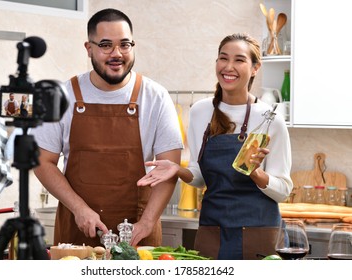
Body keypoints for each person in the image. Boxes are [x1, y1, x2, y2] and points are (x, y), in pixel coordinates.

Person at [32, 8, 183, 247]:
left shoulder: (156, 96)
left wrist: (147, 223)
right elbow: (42, 161)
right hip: (77, 232)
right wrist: (79, 209)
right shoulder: (62, 95)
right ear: (88, 48)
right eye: (105, 45)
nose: (117, 54)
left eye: (125, 45)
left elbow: (168, 170)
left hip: (138, 234)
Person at [137, 33, 293, 259]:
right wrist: (178, 170)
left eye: (239, 60)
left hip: (260, 231)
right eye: (223, 58)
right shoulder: (201, 111)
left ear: (255, 68)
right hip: (212, 231)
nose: (229, 66)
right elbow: (200, 177)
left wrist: (257, 174)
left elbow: (284, 191)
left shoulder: (269, 118)